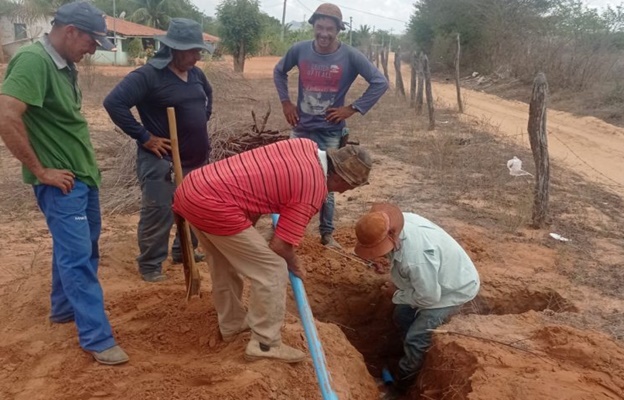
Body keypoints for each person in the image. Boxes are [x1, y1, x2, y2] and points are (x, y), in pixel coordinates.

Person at [0, 2, 128, 365]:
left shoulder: (64, 63)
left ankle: (62, 310)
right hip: (61, 183)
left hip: (81, 176)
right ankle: (97, 338)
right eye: (91, 42)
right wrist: (41, 171)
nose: (92, 50)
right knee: (78, 259)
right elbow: (6, 115)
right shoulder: (33, 61)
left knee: (80, 249)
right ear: (70, 31)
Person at [173, 138, 372, 363]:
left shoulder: (304, 145)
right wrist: (295, 264)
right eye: (350, 186)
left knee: (223, 262)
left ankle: (232, 324)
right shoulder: (313, 189)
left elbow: (258, 186)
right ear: (339, 177)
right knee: (273, 270)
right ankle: (265, 344)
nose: (345, 192)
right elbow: (280, 247)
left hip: (194, 187)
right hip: (213, 203)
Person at [103, 18, 213, 283]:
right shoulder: (148, 75)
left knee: (197, 209)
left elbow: (207, 97)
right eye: (193, 50)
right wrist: (144, 136)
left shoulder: (196, 74)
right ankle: (151, 265)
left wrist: (200, 120)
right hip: (162, 161)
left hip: (196, 159)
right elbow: (114, 103)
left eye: (200, 50)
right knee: (160, 211)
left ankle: (182, 252)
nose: (198, 56)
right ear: (174, 48)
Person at [273, 3, 388, 249]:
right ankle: (285, 231)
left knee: (327, 184)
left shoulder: (350, 55)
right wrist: (286, 102)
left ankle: (327, 234)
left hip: (330, 131)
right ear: (313, 26)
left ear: (339, 30)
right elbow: (279, 71)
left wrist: (352, 108)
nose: (324, 33)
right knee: (292, 178)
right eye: (320, 27)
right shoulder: (300, 50)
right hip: (301, 127)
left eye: (330, 29)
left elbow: (379, 82)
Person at [354, 203, 480, 390]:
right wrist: (379, 258)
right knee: (401, 316)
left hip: (452, 290)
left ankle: (403, 382)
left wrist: (397, 295)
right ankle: (413, 354)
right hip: (431, 280)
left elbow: (430, 297)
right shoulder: (396, 225)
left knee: (416, 337)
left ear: (392, 236)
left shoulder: (416, 259)